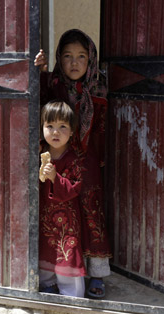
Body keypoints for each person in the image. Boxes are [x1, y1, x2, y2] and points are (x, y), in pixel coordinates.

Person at [35, 29, 111, 298]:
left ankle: (97, 275)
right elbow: (39, 106)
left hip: (88, 162)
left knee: (91, 216)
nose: (75, 62)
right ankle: (57, 271)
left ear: (90, 60)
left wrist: (99, 162)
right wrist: (41, 71)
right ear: (59, 59)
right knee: (61, 218)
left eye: (81, 56)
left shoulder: (98, 86)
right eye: (67, 56)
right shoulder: (53, 85)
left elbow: (101, 129)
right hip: (60, 157)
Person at [38, 101, 86, 297]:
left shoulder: (74, 159)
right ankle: (47, 286)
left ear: (73, 131)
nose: (55, 132)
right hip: (44, 215)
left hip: (67, 220)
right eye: (50, 126)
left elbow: (75, 187)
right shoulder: (39, 154)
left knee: (68, 252)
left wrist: (55, 178)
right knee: (45, 249)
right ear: (41, 128)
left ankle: (71, 295)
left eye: (62, 127)